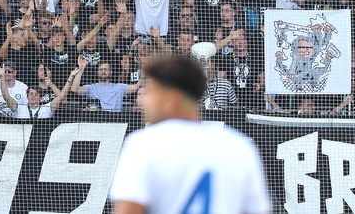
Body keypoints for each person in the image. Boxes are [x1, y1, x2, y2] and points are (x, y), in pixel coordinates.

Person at [108, 56, 270, 214]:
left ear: (172, 99)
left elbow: (128, 210)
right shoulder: (239, 147)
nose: (146, 101)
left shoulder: (143, 144)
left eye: (152, 93)